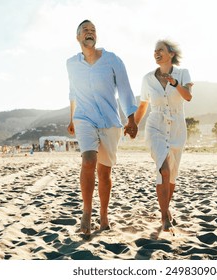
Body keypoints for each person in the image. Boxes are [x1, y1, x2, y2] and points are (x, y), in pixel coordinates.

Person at [66, 19, 138, 236]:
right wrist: (72, 118)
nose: (90, 33)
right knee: (88, 160)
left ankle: (104, 215)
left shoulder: (112, 60)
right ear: (78, 37)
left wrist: (131, 119)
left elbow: (125, 89)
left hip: (109, 121)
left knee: (104, 173)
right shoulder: (71, 63)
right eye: (85, 30)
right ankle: (86, 213)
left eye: (93, 30)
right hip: (84, 118)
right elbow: (73, 92)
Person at [134, 39, 193, 232]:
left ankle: (166, 210)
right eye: (155, 51)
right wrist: (133, 124)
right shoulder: (147, 79)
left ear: (171, 54)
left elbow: (188, 96)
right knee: (164, 169)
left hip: (177, 127)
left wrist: (175, 83)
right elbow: (143, 105)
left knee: (172, 173)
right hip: (155, 125)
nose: (156, 53)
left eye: (160, 50)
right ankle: (164, 215)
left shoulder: (183, 74)